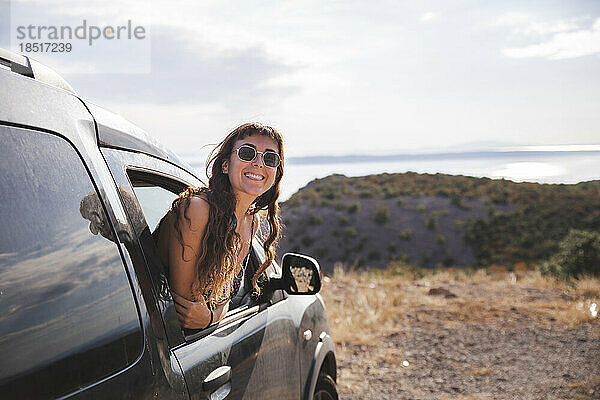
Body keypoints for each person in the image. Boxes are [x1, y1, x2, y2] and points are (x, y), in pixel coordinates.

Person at [154, 122, 284, 329]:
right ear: (225, 165)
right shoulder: (197, 210)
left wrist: (212, 316)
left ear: (276, 173)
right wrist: (213, 316)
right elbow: (188, 313)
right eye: (247, 153)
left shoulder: (251, 222)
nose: (259, 163)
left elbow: (221, 300)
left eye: (270, 158)